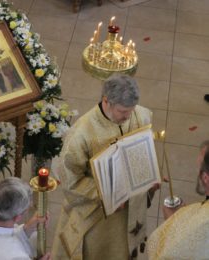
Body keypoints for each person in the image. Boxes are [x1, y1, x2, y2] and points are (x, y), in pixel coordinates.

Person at [51, 74, 159, 260]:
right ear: (106, 101)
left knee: (126, 250)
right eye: (123, 112)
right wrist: (108, 196)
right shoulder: (81, 134)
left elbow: (143, 148)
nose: (128, 117)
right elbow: (71, 182)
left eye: (131, 111)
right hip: (100, 214)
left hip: (132, 206)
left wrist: (150, 175)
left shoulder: (139, 114)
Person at [147, 141, 209, 260]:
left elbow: (160, 253)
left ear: (206, 178)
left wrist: (173, 223)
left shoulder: (203, 223)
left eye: (199, 168)